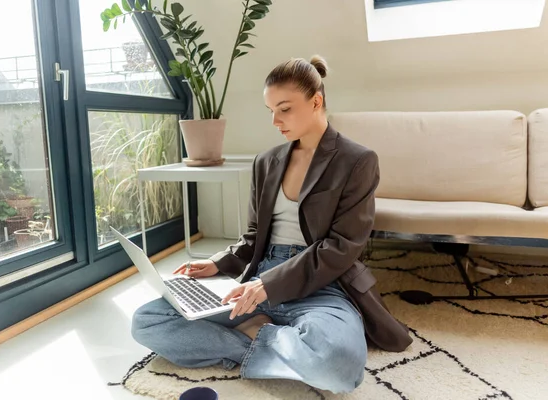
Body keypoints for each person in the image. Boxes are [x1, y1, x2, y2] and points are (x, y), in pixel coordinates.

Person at [131, 55, 411, 394]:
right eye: (271, 111)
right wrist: (217, 263)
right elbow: (253, 236)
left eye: (285, 109)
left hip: (322, 284)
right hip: (257, 277)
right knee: (148, 321)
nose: (275, 121)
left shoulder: (357, 160)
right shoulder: (266, 161)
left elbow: (343, 246)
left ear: (316, 101)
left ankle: (251, 335)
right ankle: (268, 343)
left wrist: (270, 285)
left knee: (339, 365)